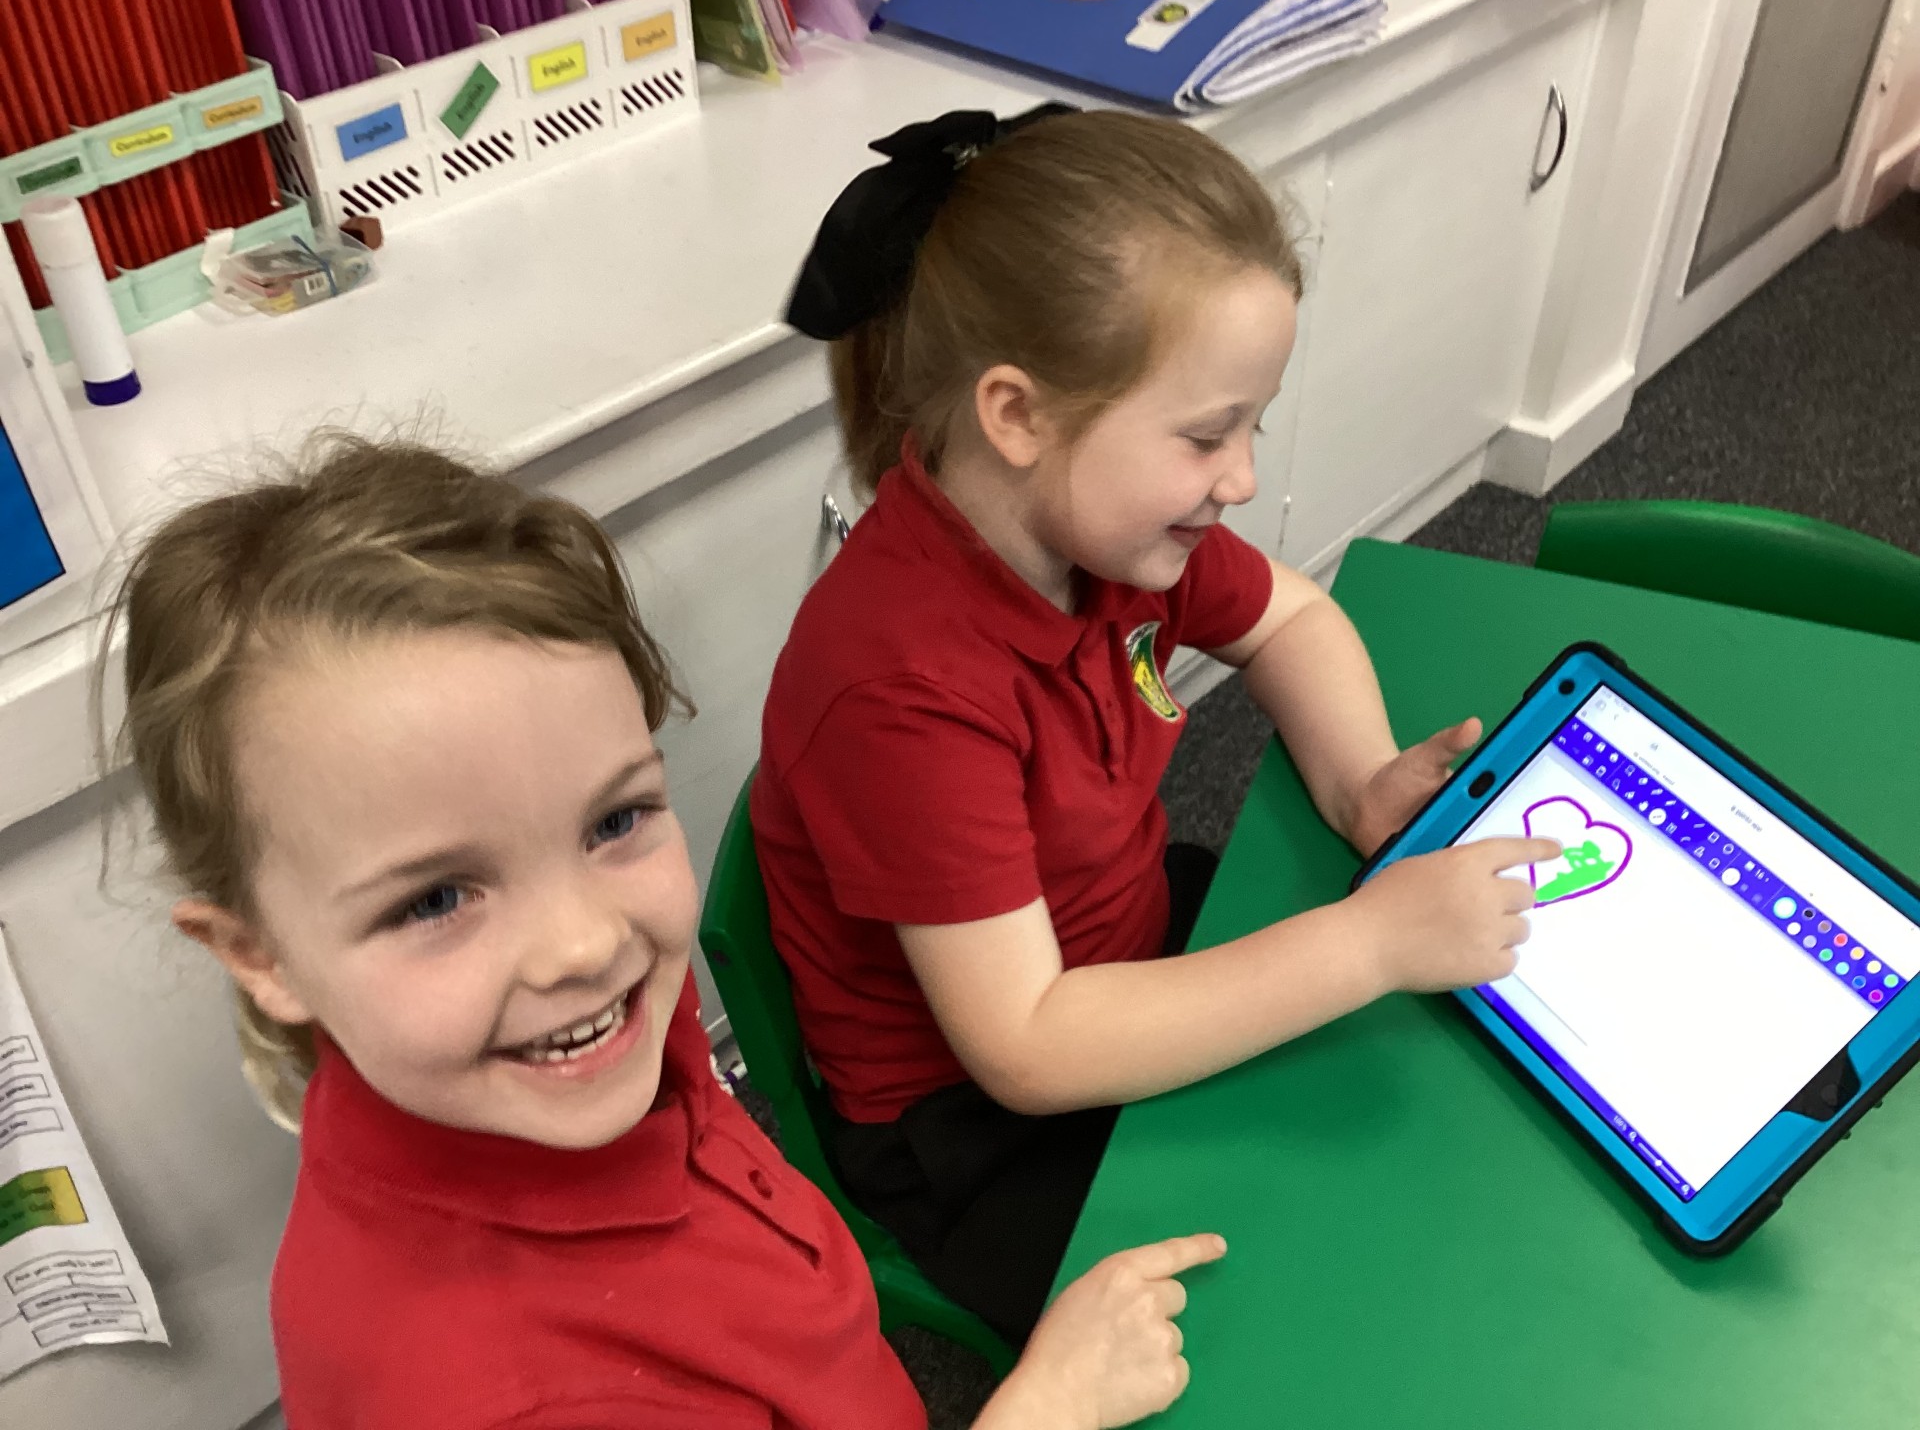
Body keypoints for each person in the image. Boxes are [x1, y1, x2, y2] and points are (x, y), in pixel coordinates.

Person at [102, 436, 1226, 1430]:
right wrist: (1046, 1406)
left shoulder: (548, 1054)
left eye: (613, 821)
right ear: (259, 956)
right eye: (435, 899)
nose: (586, 945)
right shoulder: (531, 1400)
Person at [754, 106, 1558, 1343]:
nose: (1242, 478)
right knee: (1296, 1314)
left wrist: (1359, 783)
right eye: (1205, 435)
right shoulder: (901, 685)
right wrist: (1368, 945)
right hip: (980, 1119)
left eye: (1252, 426)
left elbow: (1291, 618)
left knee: (1416, 1094)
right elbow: (1026, 1046)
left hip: (1116, 951)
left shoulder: (1111, 534)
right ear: (1017, 415)